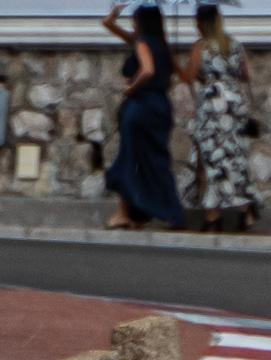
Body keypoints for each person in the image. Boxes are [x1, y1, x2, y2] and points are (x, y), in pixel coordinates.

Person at [102, 2, 184, 230]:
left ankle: (124, 214)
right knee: (156, 161)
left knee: (129, 159)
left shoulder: (141, 43)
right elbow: (183, 75)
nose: (132, 25)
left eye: (134, 21)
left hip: (140, 108)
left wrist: (131, 87)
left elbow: (147, 70)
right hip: (161, 107)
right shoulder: (163, 47)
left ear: (141, 23)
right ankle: (164, 212)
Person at [179, 2, 255, 231]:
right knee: (235, 157)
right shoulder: (234, 45)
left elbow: (189, 76)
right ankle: (244, 212)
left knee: (210, 158)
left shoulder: (200, 47)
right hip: (233, 106)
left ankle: (213, 217)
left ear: (202, 23)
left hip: (212, 106)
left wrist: (177, 68)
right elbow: (247, 74)